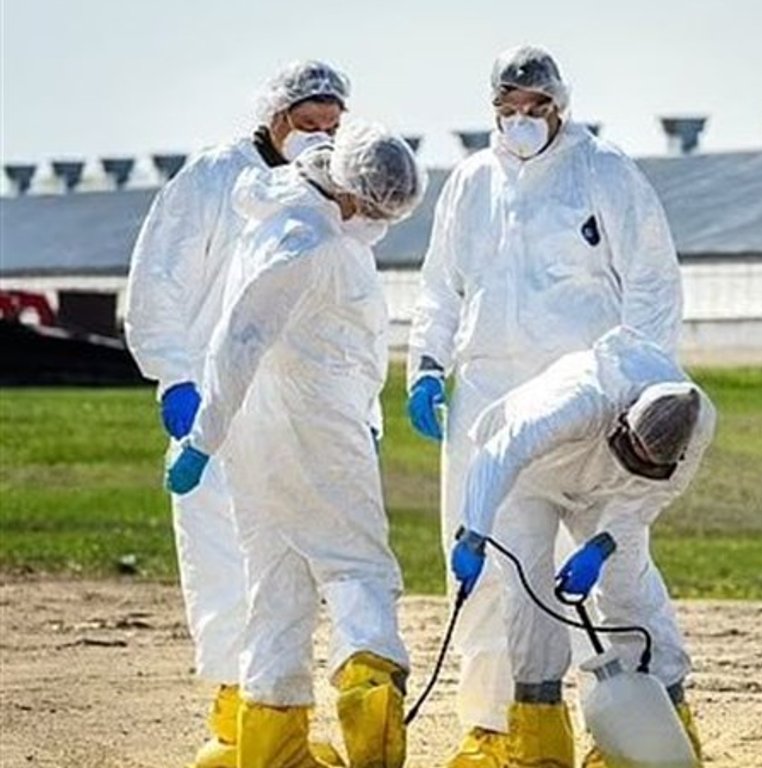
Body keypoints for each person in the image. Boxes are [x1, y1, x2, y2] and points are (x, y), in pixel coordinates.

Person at [404, 45, 684, 767]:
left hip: (587, 394)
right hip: (488, 397)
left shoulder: (605, 172)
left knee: (614, 566)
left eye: (536, 108)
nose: (522, 121)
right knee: (492, 564)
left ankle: (640, 728)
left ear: (561, 105)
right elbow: (441, 286)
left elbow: (652, 282)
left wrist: (641, 380)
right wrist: (426, 365)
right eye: (508, 110)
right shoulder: (469, 182)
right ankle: (502, 728)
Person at [164, 121, 426, 768]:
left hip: (259, 438)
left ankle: (273, 743)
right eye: (372, 208)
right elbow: (239, 342)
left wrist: (214, 439)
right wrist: (202, 436)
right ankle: (372, 720)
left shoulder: (279, 224)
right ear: (349, 189)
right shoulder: (309, 243)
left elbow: (248, 344)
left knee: (276, 583)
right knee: (357, 568)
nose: (375, 221)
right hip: (317, 427)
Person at [123, 58, 350, 768]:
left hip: (291, 409)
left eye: (332, 128)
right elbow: (155, 283)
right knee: (224, 565)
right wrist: (174, 380)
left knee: (288, 568)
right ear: (275, 117)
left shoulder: (324, 188)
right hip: (213, 409)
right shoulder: (211, 178)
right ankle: (236, 721)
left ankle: (279, 717)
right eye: (308, 124)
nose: (319, 138)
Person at [449, 326, 713, 768]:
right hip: (531, 481)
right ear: (624, 418)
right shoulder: (579, 400)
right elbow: (499, 456)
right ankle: (541, 741)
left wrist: (602, 546)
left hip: (615, 494)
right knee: (529, 592)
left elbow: (649, 499)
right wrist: (474, 533)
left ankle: (666, 727)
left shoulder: (697, 425)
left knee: (630, 590)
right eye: (631, 450)